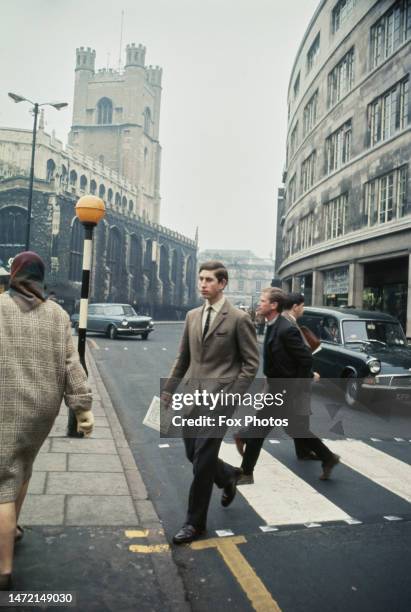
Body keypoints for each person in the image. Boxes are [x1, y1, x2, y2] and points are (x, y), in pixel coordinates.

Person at [0, 252, 94, 590]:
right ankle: (14, 526)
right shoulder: (56, 314)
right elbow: (72, 364)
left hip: (4, 408)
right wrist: (82, 408)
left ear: (14, 275)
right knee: (22, 467)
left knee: (2, 485)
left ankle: (3, 569)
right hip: (41, 411)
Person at [161, 261, 259, 544]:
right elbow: (183, 359)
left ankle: (195, 524)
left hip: (219, 401)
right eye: (201, 279)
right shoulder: (192, 316)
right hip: (192, 398)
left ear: (222, 283)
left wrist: (231, 396)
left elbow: (251, 364)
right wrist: (168, 391)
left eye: (209, 280)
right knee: (192, 453)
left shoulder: (239, 319)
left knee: (202, 462)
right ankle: (228, 475)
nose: (203, 284)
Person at [235, 288, 339, 484]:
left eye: (263, 301)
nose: (259, 303)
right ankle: (328, 457)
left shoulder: (286, 329)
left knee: (259, 430)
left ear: (274, 305)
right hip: (277, 388)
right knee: (293, 430)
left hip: (285, 390)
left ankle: (246, 472)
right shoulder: (272, 325)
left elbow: (306, 359)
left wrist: (295, 389)